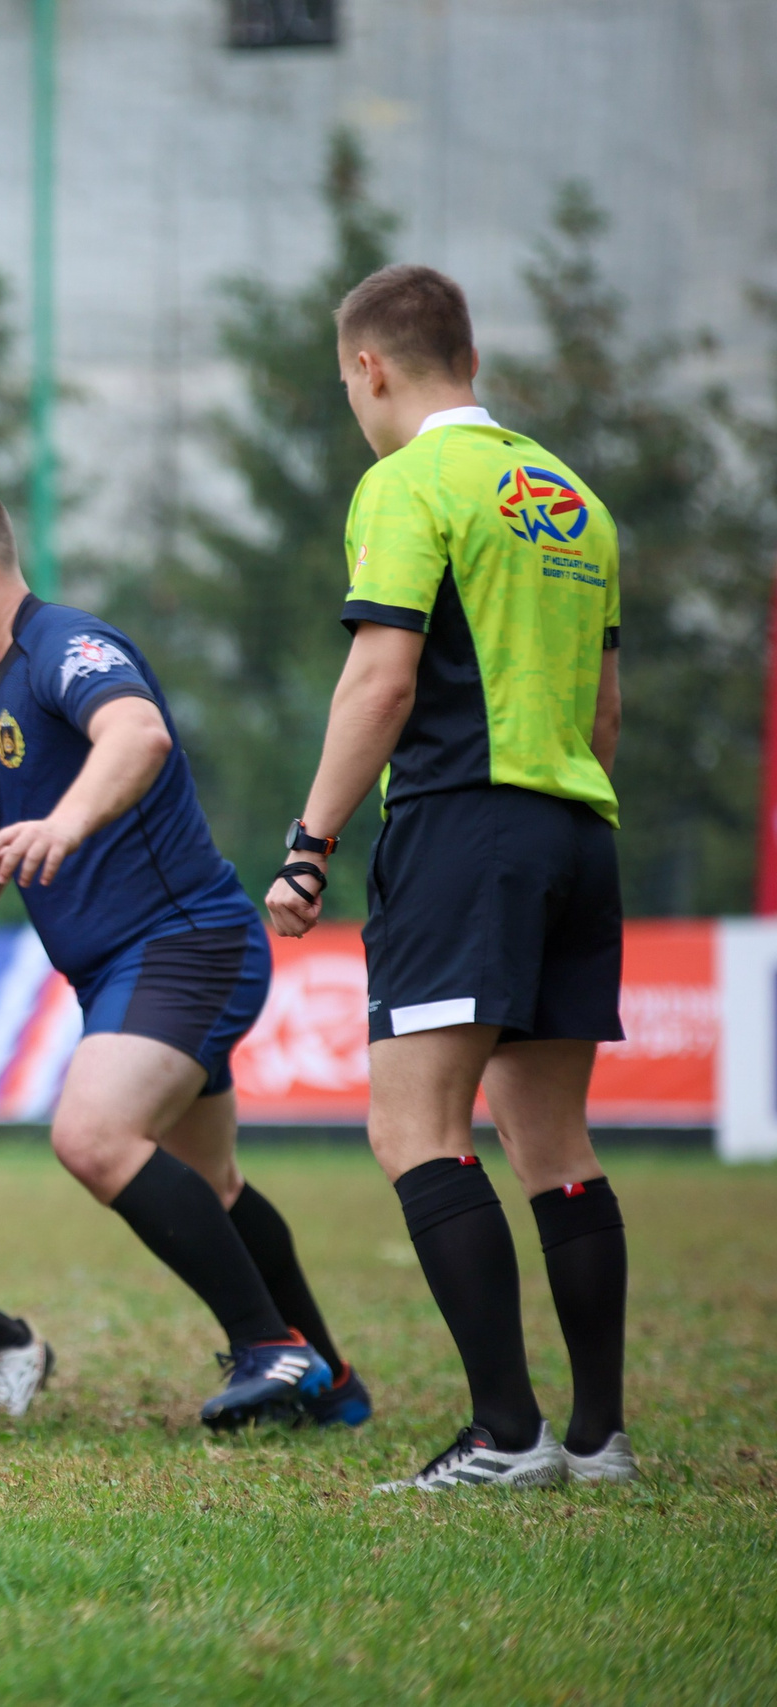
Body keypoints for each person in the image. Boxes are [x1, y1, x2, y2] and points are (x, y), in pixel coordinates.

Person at [0, 475, 363, 1434]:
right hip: (118, 970)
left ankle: (269, 1346)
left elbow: (137, 733)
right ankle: (329, 1383)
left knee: (93, 1137)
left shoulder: (66, 645)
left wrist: (65, 821)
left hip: (185, 944)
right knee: (213, 1185)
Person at [267, 264, 630, 1492]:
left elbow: (381, 681)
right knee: (553, 1138)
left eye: (346, 383)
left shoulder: (406, 482)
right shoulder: (574, 499)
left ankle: (506, 1436)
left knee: (412, 1128)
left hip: (463, 827)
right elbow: (603, 708)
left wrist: (309, 843)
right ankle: (597, 1440)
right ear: (467, 356)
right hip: (576, 827)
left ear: (369, 368)